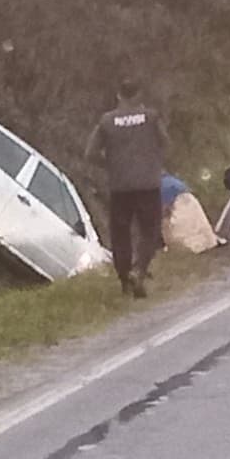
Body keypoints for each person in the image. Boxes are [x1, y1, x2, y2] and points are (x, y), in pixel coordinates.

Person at [85, 78, 169, 298]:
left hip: (120, 186)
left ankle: (124, 281)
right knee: (149, 230)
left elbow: (90, 154)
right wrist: (152, 161)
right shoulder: (151, 117)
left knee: (120, 233)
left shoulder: (106, 121)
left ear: (118, 96)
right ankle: (139, 269)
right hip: (148, 184)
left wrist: (112, 164)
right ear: (139, 94)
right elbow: (165, 142)